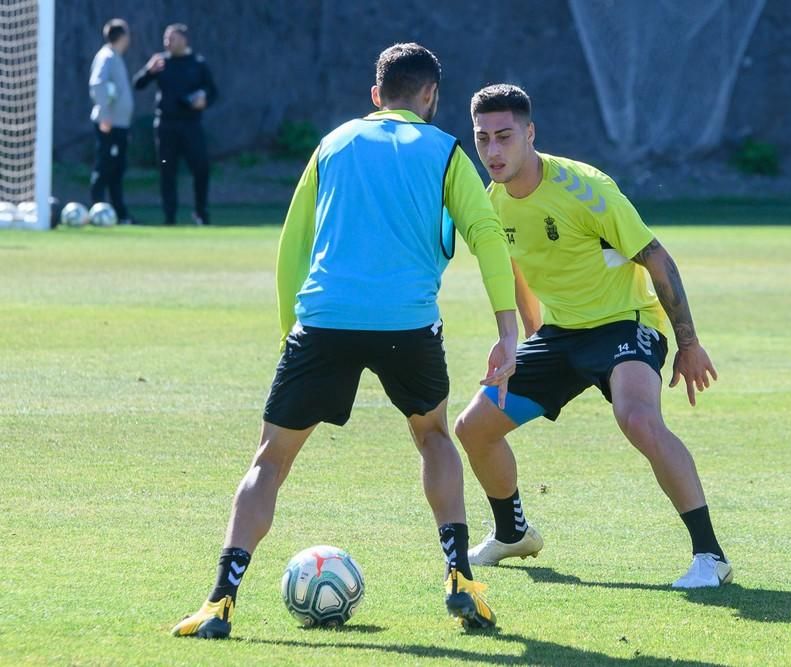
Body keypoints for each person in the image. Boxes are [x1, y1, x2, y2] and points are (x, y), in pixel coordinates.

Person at [171, 44, 518, 639]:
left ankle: (219, 601)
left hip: (323, 320)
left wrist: (292, 333)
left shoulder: (332, 144)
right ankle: (459, 577)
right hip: (407, 324)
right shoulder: (447, 152)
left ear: (376, 94)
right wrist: (507, 330)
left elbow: (293, 244)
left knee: (270, 460)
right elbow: (486, 234)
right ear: (430, 96)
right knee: (433, 436)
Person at [454, 84, 731, 589]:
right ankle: (513, 532)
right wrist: (527, 339)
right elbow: (515, 268)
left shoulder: (587, 189)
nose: (493, 151)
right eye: (483, 139)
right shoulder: (493, 201)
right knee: (473, 428)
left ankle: (710, 556)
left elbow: (656, 258)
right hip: (562, 334)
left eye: (504, 137)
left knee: (638, 418)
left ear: (530, 134)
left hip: (626, 321)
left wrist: (688, 344)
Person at [133, 23, 216, 225]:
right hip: (166, 125)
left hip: (191, 125)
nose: (167, 42)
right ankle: (169, 217)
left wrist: (203, 99)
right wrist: (148, 70)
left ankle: (200, 213)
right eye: (166, 38)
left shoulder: (198, 63)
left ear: (184, 40)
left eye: (172, 38)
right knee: (167, 170)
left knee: (201, 168)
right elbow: (138, 84)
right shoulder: (161, 62)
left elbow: (213, 92)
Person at [88, 18, 134, 225]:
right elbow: (98, 84)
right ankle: (98, 210)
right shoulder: (106, 56)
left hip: (120, 124)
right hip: (109, 124)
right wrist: (105, 115)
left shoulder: (116, 57)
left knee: (117, 169)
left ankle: (119, 213)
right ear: (122, 37)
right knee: (104, 167)